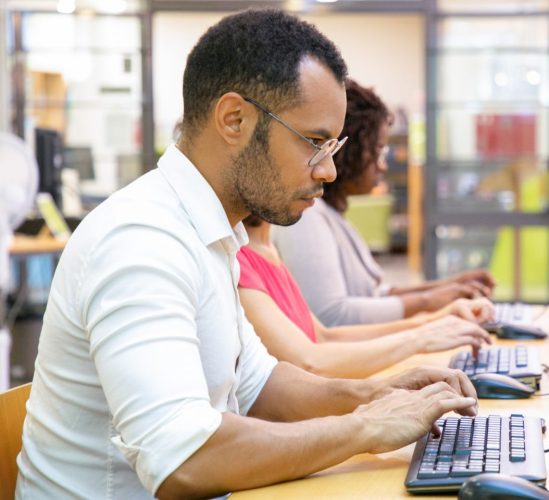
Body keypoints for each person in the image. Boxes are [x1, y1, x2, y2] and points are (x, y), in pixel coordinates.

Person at [16, 10, 478, 499]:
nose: (329, 172)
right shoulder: (141, 240)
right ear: (234, 119)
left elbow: (261, 387)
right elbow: (183, 460)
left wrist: (380, 395)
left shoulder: (209, 232)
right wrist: (365, 426)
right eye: (315, 143)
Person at [272, 79, 497, 327]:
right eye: (377, 151)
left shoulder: (332, 215)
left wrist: (451, 287)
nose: (383, 165)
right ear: (349, 150)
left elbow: (375, 294)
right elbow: (332, 315)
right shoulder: (306, 217)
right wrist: (428, 302)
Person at [238, 214, 494, 377]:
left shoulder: (268, 249)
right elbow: (309, 361)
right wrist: (420, 338)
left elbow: (325, 336)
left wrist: (436, 320)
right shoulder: (238, 258)